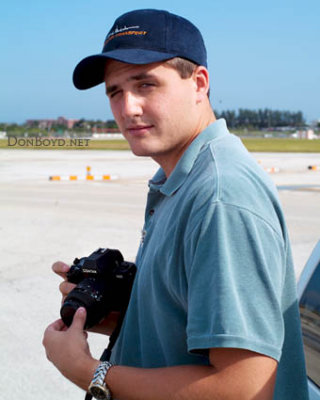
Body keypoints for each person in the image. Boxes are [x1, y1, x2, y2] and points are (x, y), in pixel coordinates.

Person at [43, 9, 309, 400]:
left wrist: (88, 371)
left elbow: (242, 387)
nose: (127, 108)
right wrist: (115, 312)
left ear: (198, 83)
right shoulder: (180, 179)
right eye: (114, 91)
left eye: (146, 84)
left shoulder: (221, 195)